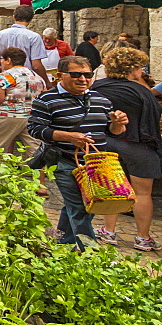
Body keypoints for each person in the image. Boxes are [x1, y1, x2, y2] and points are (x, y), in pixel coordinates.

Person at [27, 56, 129, 249]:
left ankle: (64, 241)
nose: (83, 79)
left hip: (96, 165)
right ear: (60, 76)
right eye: (76, 74)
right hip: (64, 161)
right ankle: (89, 253)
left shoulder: (101, 100)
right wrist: (68, 136)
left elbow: (112, 132)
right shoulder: (47, 99)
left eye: (87, 75)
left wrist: (117, 123)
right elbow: (35, 129)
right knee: (80, 208)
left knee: (87, 207)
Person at [91, 47, 162, 251]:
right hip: (139, 145)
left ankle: (109, 232)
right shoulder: (142, 91)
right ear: (132, 69)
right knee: (143, 194)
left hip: (108, 142)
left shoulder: (97, 86)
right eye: (140, 68)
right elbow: (155, 117)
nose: (142, 71)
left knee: (112, 188)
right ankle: (143, 238)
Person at [0, 47, 46, 191]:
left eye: (2, 59)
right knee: (34, 150)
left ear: (9, 60)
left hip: (10, 116)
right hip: (32, 117)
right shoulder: (35, 76)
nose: (1, 62)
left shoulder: (7, 76)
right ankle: (41, 186)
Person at [0, 5, 50, 88]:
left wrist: (6, 65)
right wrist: (46, 81)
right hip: (27, 81)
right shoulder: (34, 37)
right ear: (30, 19)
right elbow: (36, 66)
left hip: (7, 79)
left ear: (14, 17)